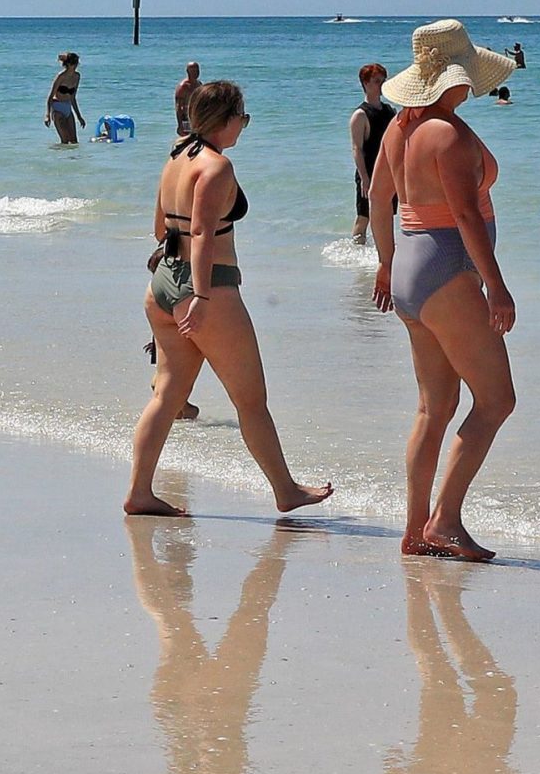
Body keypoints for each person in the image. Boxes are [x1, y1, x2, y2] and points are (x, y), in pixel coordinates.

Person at [126, 80, 334, 518]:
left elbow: (161, 228)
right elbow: (203, 232)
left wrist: (182, 283)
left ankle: (139, 492)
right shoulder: (217, 166)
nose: (244, 124)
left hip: (162, 284)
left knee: (166, 397)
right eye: (243, 117)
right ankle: (286, 491)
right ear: (226, 119)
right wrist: (200, 296)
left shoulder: (177, 154)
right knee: (251, 400)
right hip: (208, 290)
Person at [369, 20, 518, 563]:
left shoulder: (400, 127)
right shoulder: (447, 133)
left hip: (411, 270)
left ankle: (415, 531)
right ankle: (445, 521)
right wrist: (497, 287)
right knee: (497, 400)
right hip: (447, 271)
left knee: (435, 407)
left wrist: (386, 263)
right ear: (455, 77)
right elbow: (464, 216)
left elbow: (377, 196)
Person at [349, 62, 396, 241]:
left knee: (387, 215)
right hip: (368, 171)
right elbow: (357, 148)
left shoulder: (389, 111)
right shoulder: (360, 115)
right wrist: (364, 178)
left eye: (383, 80)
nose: (381, 85)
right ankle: (356, 252)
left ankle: (384, 251)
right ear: (365, 83)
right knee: (364, 216)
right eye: (377, 81)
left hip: (388, 170)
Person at [45, 52, 84, 146]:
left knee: (74, 141)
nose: (75, 65)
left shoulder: (77, 76)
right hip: (57, 108)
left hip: (68, 108)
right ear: (68, 64)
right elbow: (50, 97)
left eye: (76, 63)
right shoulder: (60, 77)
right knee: (65, 141)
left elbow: (73, 98)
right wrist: (47, 115)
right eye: (74, 63)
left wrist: (79, 116)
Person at [174, 61, 201, 136]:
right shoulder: (183, 86)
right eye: (193, 70)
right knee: (189, 139)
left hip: (197, 118)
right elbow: (178, 107)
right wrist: (180, 125)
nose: (196, 72)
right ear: (188, 71)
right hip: (186, 119)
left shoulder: (199, 84)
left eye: (197, 70)